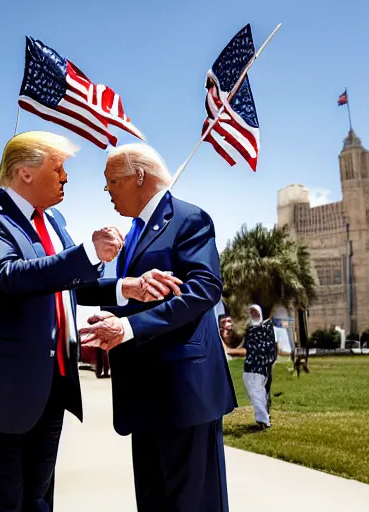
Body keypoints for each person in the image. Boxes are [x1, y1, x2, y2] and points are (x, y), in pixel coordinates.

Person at [0, 131, 176, 512]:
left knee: (39, 503)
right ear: (25, 172)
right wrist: (88, 253)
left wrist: (126, 288)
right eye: (57, 167)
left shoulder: (54, 221)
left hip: (46, 391)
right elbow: (13, 275)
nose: (65, 177)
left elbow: (64, 282)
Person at [78, 143, 237, 512]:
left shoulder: (189, 219)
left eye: (112, 182)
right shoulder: (132, 232)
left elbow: (203, 289)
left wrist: (129, 327)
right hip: (145, 397)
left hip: (184, 395)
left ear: (139, 177)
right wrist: (112, 317)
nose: (109, 192)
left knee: (194, 504)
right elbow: (138, 297)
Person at [242, 304, 277, 429]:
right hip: (249, 367)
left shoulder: (266, 328)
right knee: (256, 394)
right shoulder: (250, 330)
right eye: (252, 312)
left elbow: (269, 346)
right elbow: (248, 347)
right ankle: (263, 418)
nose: (254, 315)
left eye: (256, 312)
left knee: (260, 394)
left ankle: (263, 419)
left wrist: (266, 358)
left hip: (262, 367)